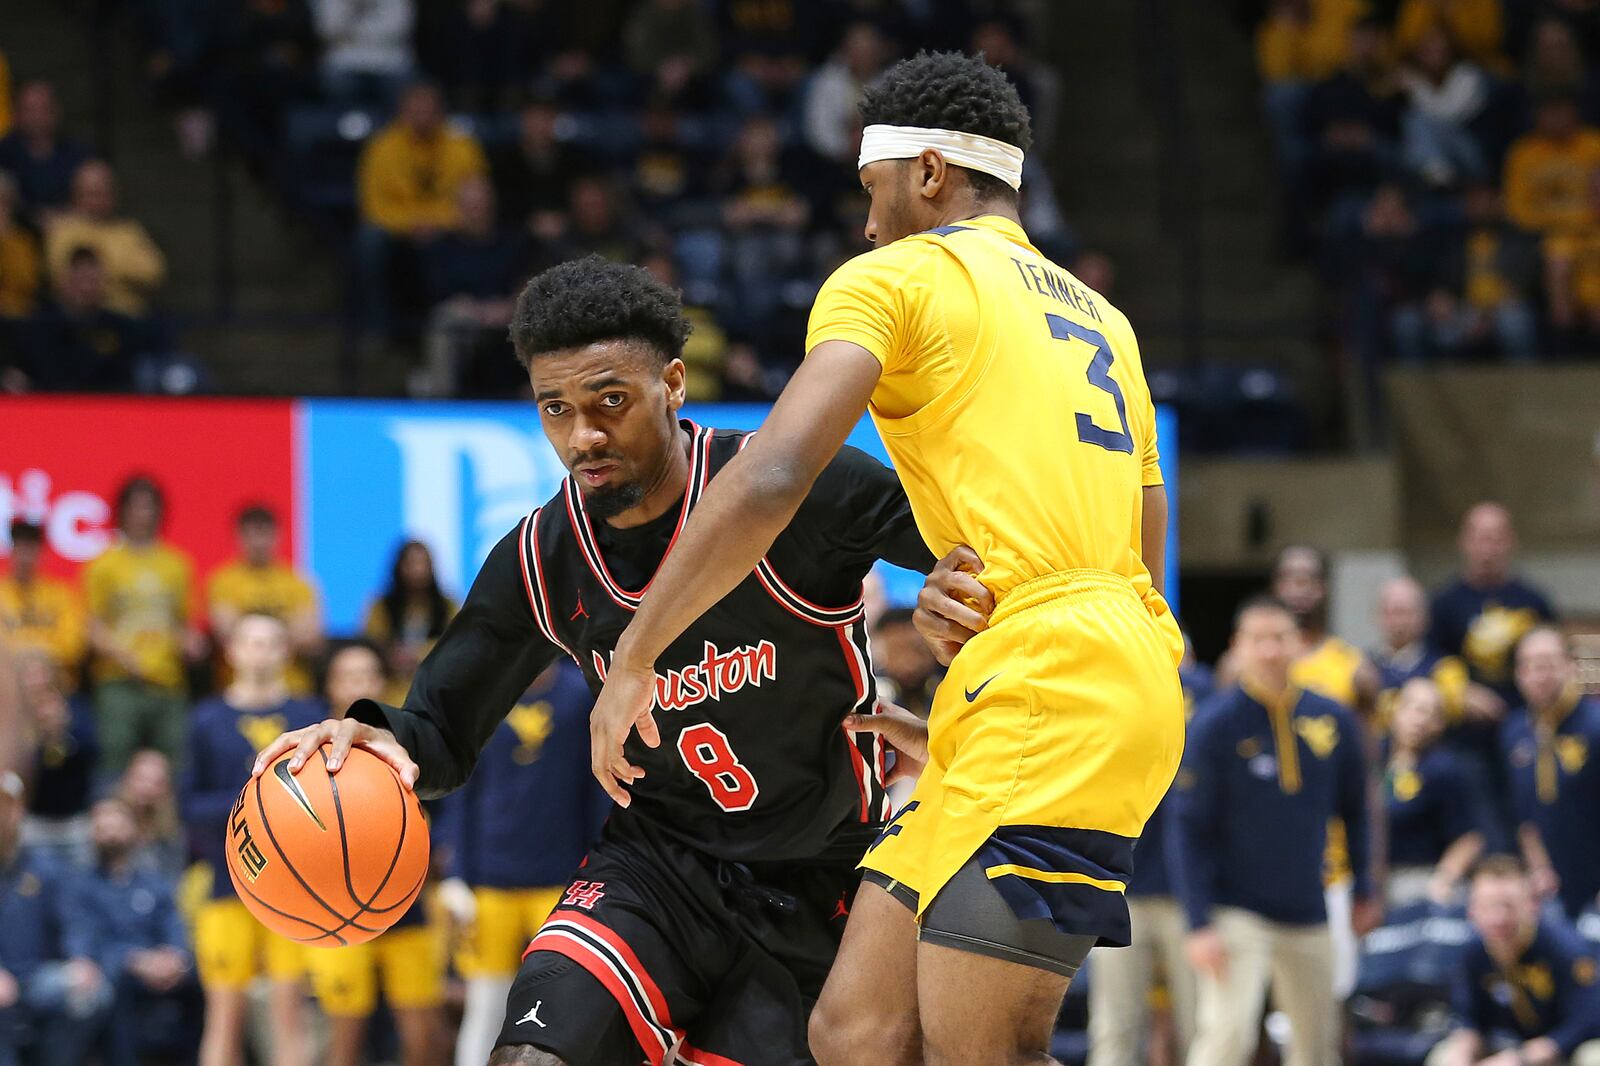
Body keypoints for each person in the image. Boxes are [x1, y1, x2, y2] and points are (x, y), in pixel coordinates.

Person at [586, 50, 1187, 1065]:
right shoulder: (1104, 319)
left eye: (872, 190)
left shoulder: (897, 276)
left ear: (928, 173)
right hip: (1061, 675)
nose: (865, 223)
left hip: (1050, 684)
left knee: (984, 1047)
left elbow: (773, 477)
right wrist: (976, 705)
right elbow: (1143, 547)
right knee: (858, 1029)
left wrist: (639, 653)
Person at [250, 255, 939, 1066]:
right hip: (656, 867)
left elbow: (994, 560)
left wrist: (956, 623)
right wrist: (380, 740)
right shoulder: (545, 555)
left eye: (611, 401)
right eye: (556, 409)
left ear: (674, 383)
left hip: (827, 874)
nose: (584, 436)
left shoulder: (796, 488)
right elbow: (439, 723)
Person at [1171, 596, 1378, 1066]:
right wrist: (1198, 921)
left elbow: (1357, 811)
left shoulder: (1334, 719)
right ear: (1237, 648)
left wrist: (1365, 887)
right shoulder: (1214, 726)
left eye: (1280, 638)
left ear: (1299, 644)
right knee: (1227, 1035)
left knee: (1317, 1043)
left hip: (1310, 905)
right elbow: (1188, 829)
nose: (1270, 650)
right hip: (1234, 910)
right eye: (1258, 640)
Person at [432, 658, 605, 1066]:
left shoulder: (580, 695)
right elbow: (461, 789)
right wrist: (457, 874)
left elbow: (595, 786)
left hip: (561, 881)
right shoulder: (483, 695)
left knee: (569, 1010)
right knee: (487, 1007)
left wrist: (597, 864)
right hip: (491, 881)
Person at [180, 614, 321, 1066]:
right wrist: (259, 803)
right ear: (232, 651)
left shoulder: (307, 715)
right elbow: (188, 807)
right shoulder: (206, 718)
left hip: (294, 888)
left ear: (285, 651)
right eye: (251, 642)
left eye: (271, 642)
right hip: (225, 883)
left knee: (289, 1013)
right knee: (224, 1015)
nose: (261, 651)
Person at [304, 641, 446, 1066]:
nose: (360, 683)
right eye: (349, 675)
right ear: (330, 687)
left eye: (368, 674)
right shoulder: (311, 748)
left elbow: (442, 807)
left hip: (405, 901)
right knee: (345, 1033)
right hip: (338, 904)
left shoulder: (406, 740)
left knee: (422, 1031)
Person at [1086, 643, 1214, 1066]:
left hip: (1158, 891)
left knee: (1118, 1025)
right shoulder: (1112, 694)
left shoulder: (1114, 693)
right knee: (1193, 1024)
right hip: (1132, 888)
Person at [1425, 855, 1600, 1066]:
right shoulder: (1473, 953)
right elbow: (1467, 1017)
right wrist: (1462, 1050)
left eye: (1508, 906)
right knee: (1444, 1056)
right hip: (1507, 1047)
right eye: (1487, 906)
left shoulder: (1565, 948)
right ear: (1472, 910)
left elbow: (1587, 1021)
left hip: (1562, 1050)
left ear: (1531, 905)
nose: (1498, 918)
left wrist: (1522, 1058)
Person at [64, 797, 194, 1066]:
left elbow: (173, 923)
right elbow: (87, 940)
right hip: (118, 969)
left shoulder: (153, 882)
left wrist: (176, 955)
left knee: (198, 979)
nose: (111, 833)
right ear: (93, 834)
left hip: (163, 965)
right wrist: (134, 961)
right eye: (103, 827)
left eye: (117, 825)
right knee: (112, 987)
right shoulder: (81, 886)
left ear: (133, 829)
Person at [83, 477, 198, 775]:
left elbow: (183, 623)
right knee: (115, 760)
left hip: (168, 681)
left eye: (149, 506)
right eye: (136, 506)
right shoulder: (103, 565)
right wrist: (123, 656)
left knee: (174, 764)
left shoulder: (177, 564)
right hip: (119, 681)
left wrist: (193, 643)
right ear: (122, 511)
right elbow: (93, 627)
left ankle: (170, 823)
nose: (143, 514)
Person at [354, 81, 488, 334]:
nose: (422, 119)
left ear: (440, 113)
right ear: (402, 112)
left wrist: (436, 222)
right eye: (415, 112)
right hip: (398, 230)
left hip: (450, 225)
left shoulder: (461, 144)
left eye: (429, 112)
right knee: (368, 239)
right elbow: (373, 207)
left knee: (481, 229)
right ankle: (376, 327)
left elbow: (476, 196)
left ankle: (465, 323)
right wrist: (412, 224)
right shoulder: (382, 147)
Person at [0, 769, 111, 1066]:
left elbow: (74, 920)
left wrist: (82, 959)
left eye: (4, 805)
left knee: (94, 995)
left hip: (36, 977)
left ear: (18, 810)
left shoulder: (43, 867)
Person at [1502, 626, 1600, 920]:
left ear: (1570, 666)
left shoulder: (1594, 726)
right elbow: (1524, 811)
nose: (1537, 674)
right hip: (1548, 887)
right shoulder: (1514, 730)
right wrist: (1538, 867)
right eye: (1527, 665)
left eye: (1546, 664)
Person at [1431, 503, 1556, 701]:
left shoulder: (1534, 601)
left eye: (1496, 539)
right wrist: (1461, 692)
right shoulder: (1443, 603)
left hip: (1526, 716)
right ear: (1464, 542)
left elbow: (1555, 659)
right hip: (1463, 718)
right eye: (1480, 539)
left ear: (1511, 542)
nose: (1487, 549)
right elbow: (1431, 662)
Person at [1383, 677, 1488, 907]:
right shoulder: (1372, 760)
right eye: (1413, 708)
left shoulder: (1446, 769)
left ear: (1439, 724)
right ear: (1395, 711)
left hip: (1418, 878)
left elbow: (1470, 838)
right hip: (1373, 878)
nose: (1419, 720)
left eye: (1430, 714)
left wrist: (1442, 881)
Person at [206, 504, 322, 693]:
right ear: (238, 537)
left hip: (291, 687)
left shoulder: (298, 583)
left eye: (264, 534)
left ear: (278, 535)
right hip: (238, 690)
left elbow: (310, 637)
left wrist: (250, 628)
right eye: (251, 535)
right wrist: (284, 629)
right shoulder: (223, 581)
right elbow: (226, 633)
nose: (258, 543)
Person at [43, 160, 166, 317]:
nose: (97, 200)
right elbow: (60, 276)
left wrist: (96, 272)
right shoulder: (63, 231)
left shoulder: (129, 231)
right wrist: (121, 272)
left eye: (103, 192)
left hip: (128, 320)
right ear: (76, 196)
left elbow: (154, 273)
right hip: (79, 321)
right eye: (91, 193)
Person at [15, 650, 97, 866]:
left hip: (73, 818)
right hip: (31, 818)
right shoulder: (11, 716)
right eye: (28, 674)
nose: (35, 681)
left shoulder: (76, 709)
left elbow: (91, 752)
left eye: (40, 674)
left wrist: (60, 732)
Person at [1373, 574, 1476, 730]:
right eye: (1391, 612)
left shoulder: (1446, 669)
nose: (1398, 622)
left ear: (1424, 617)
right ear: (1378, 616)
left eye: (1405, 613)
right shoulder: (1364, 667)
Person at [363, 539, 456, 698]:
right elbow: (371, 644)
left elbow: (457, 644)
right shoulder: (380, 606)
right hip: (390, 688)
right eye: (411, 563)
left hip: (436, 687)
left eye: (422, 563)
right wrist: (391, 656)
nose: (417, 570)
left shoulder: (448, 606)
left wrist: (420, 654)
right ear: (399, 567)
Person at [0, 519, 85, 681]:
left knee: (41, 685)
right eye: (20, 548)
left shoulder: (60, 595)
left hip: (54, 678)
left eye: (30, 549)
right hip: (7, 678)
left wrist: (39, 655)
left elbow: (73, 645)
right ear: (11, 552)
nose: (25, 557)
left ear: (41, 553)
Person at [0, 81, 90, 215]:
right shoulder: (3, 152)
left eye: (44, 109)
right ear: (16, 114)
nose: (37, 117)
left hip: (71, 227)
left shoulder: (79, 154)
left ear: (57, 111)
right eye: (30, 109)